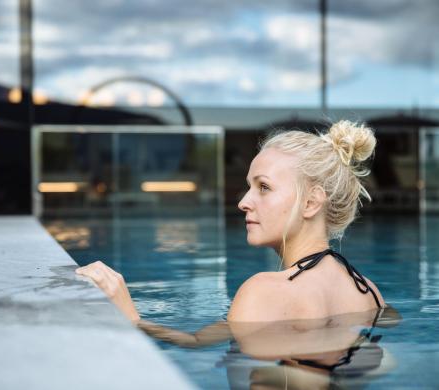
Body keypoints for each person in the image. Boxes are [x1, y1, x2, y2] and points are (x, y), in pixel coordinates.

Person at [75, 120, 387, 339]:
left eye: (263, 187)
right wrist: (136, 319)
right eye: (248, 187)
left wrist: (130, 320)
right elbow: (197, 341)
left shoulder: (264, 290)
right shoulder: (370, 293)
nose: (243, 202)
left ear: (311, 203)